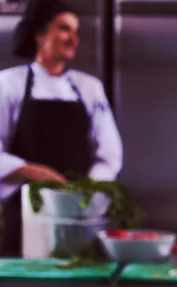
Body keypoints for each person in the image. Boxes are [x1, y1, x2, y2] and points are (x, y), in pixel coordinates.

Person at [0, 0, 122, 256]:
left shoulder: (89, 87)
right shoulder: (8, 84)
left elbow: (109, 154)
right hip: (24, 212)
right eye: (64, 29)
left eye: (76, 32)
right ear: (40, 34)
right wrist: (34, 172)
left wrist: (85, 193)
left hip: (80, 214)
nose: (73, 39)